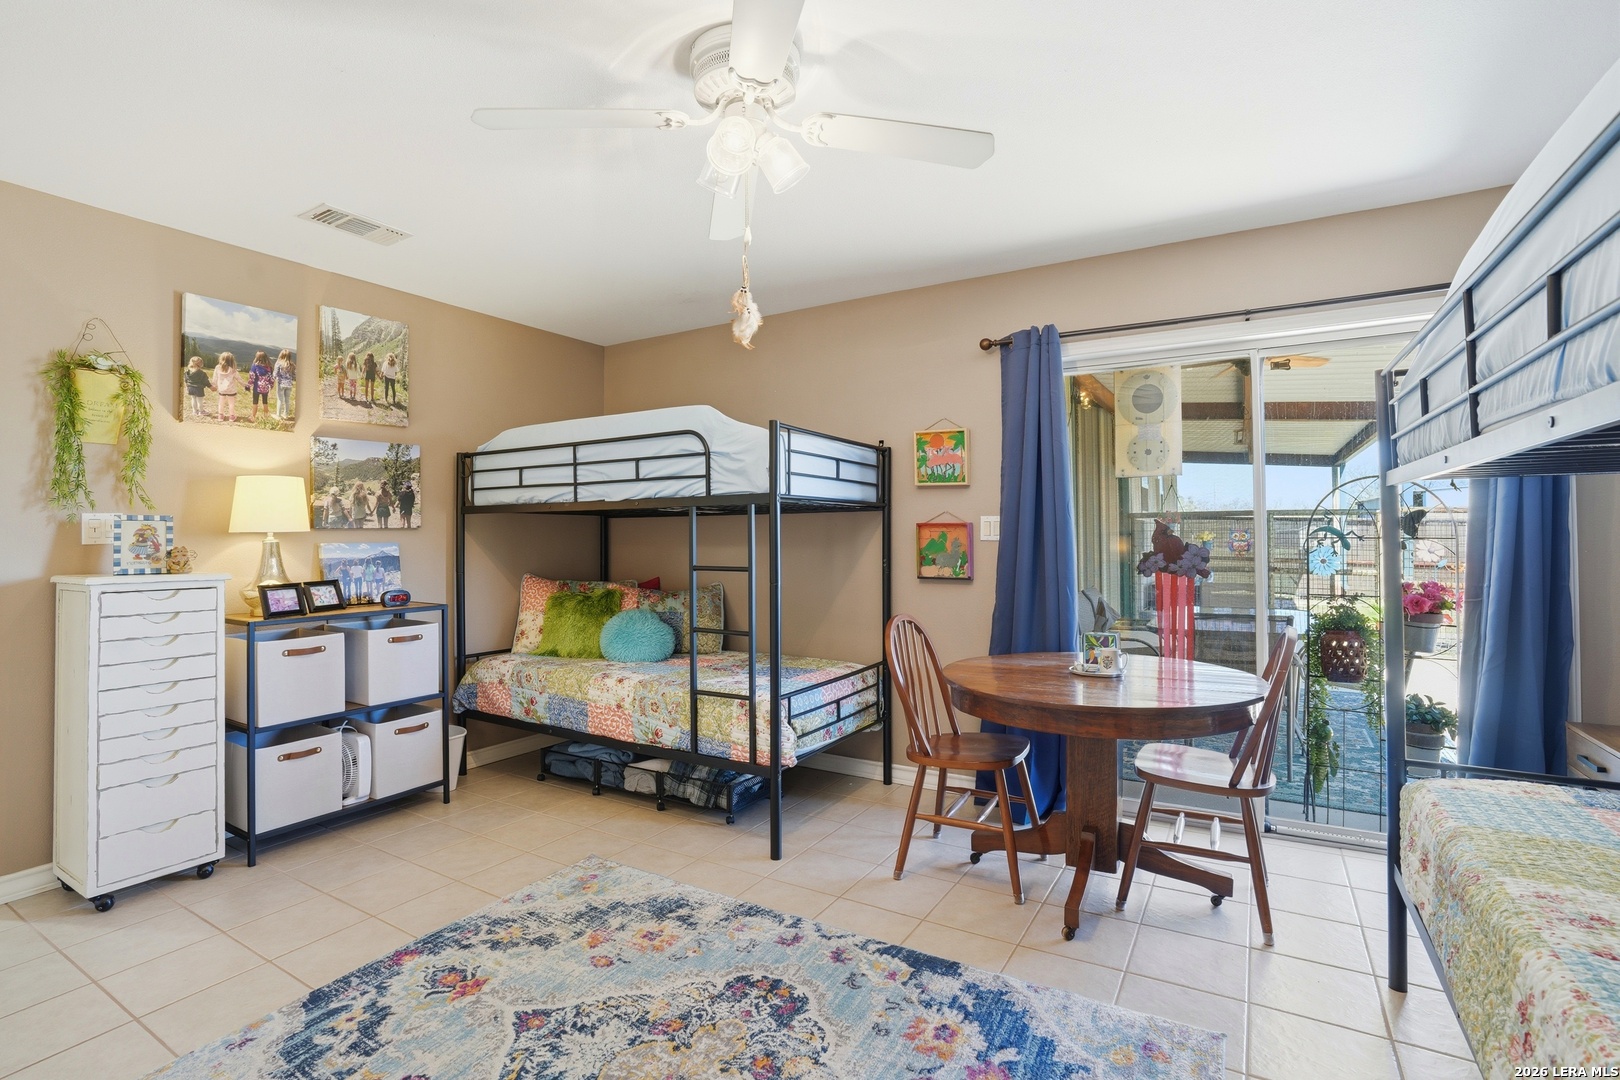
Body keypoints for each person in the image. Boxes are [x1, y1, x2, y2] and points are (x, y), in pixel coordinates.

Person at [211, 353, 240, 421]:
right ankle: (231, 416)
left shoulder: (217, 367)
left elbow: (214, 378)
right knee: (231, 403)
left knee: (221, 402)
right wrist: (246, 385)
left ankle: (220, 416)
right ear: (232, 361)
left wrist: (213, 386)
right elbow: (239, 379)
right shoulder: (233, 370)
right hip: (231, 390)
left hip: (222, 389)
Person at [248, 351, 272, 422]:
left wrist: (249, 385)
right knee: (265, 402)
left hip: (257, 387)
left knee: (255, 402)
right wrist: (270, 385)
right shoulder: (269, 367)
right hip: (265, 388)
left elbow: (252, 377)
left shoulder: (255, 366)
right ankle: (266, 417)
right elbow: (271, 378)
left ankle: (253, 417)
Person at [272, 350, 295, 421]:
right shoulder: (292, 364)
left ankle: (278, 415)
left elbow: (275, 374)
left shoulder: (278, 363)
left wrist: (272, 381)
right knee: (287, 400)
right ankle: (286, 414)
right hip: (289, 384)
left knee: (280, 399)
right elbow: (294, 375)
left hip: (281, 383)